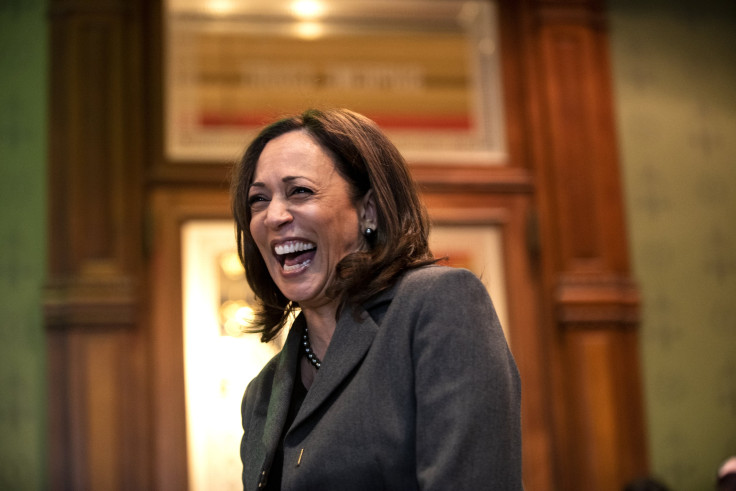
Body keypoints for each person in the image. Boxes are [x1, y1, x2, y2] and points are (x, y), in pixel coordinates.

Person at [231, 108, 522, 490]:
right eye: (258, 200)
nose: (274, 216)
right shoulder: (262, 395)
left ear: (367, 210)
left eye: (299, 191)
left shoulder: (437, 305)